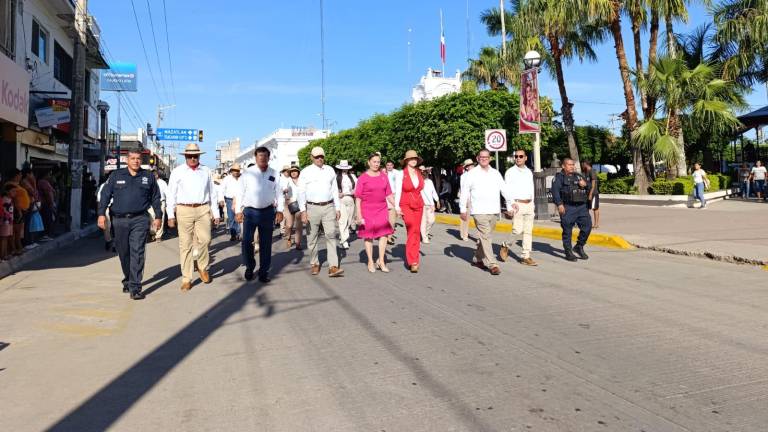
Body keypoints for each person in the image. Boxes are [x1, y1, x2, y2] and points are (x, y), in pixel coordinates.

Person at [97, 149, 162, 300]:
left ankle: (135, 287)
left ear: (142, 160)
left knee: (137, 252)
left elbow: (156, 198)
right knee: (124, 252)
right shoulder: (116, 175)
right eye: (132, 158)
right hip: (119, 220)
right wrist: (101, 215)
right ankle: (128, 278)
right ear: (127, 160)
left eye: (138, 158)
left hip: (140, 219)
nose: (136, 161)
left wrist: (158, 216)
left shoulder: (148, 177)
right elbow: (105, 195)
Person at [166, 143, 221, 291]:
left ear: (199, 156)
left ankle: (202, 266)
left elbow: (212, 193)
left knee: (206, 239)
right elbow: (171, 194)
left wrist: (216, 213)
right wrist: (170, 215)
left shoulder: (206, 171)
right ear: (185, 156)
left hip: (203, 208)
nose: (192, 158)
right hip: (184, 209)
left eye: (195, 156)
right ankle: (187, 278)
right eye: (189, 156)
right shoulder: (177, 172)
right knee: (185, 245)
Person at [235, 146, 284, 283]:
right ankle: (250, 267)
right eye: (259, 156)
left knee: (266, 243)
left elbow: (279, 193)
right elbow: (239, 193)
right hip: (250, 212)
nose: (262, 158)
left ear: (269, 157)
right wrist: (238, 211)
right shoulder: (247, 173)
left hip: (268, 212)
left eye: (265, 156)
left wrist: (280, 210)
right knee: (247, 242)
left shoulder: (275, 174)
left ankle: (264, 271)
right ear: (256, 158)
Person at [460, 150, 513, 275]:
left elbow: (504, 189)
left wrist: (509, 205)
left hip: (494, 210)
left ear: (490, 159)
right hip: (478, 211)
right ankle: (492, 264)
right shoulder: (471, 174)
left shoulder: (495, 173)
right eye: (481, 157)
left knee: (485, 237)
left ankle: (477, 258)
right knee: (486, 236)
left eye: (486, 157)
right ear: (477, 158)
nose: (484, 159)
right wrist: (462, 209)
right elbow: (465, 192)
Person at [298, 146, 344, 277]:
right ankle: (314, 263)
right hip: (311, 207)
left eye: (321, 156)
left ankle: (333, 266)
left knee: (331, 234)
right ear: (311, 157)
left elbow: (334, 189)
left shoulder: (330, 170)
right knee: (312, 237)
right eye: (317, 156)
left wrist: (338, 207)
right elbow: (301, 192)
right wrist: (303, 211)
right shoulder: (306, 172)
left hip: (328, 206)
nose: (319, 158)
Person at [355, 152, 394, 273]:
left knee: (384, 235)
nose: (376, 164)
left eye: (378, 162)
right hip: (367, 210)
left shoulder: (384, 176)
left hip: (382, 209)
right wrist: (359, 214)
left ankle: (381, 261)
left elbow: (389, 194)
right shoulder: (363, 178)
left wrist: (397, 206)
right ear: (369, 162)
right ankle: (370, 261)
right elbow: (358, 198)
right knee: (369, 236)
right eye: (374, 162)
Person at [501, 149, 537, 266]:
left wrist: (533, 203)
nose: (518, 158)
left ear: (525, 158)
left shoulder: (529, 172)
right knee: (517, 230)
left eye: (521, 156)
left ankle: (525, 256)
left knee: (528, 231)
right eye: (516, 156)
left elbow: (532, 189)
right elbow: (506, 190)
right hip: (517, 204)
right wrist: (509, 206)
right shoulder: (510, 172)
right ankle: (506, 245)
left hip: (529, 204)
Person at [552, 157, 592, 261]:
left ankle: (579, 246)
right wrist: (559, 204)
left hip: (581, 207)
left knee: (587, 227)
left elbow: (590, 186)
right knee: (567, 230)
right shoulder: (559, 177)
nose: (572, 166)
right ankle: (568, 252)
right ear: (563, 166)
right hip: (568, 207)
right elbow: (555, 192)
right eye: (569, 165)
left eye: (573, 164)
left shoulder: (578, 176)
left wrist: (585, 185)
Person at [394, 150, 425, 273]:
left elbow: (422, 190)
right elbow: (397, 190)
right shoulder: (401, 174)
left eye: (415, 158)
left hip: (419, 205)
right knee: (412, 228)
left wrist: (431, 203)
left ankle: (414, 259)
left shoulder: (419, 173)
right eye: (411, 158)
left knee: (416, 231)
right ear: (406, 160)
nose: (413, 160)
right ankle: (412, 260)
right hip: (405, 204)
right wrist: (397, 207)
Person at [4, 169, 30, 257]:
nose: (21, 177)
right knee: (15, 232)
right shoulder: (10, 185)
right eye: (19, 175)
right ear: (15, 175)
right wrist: (19, 211)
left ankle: (17, 248)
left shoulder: (17, 185)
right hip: (16, 211)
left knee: (18, 232)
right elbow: (14, 199)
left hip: (21, 210)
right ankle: (15, 249)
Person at [335, 160, 357, 249]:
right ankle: (344, 241)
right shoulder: (336, 177)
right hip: (341, 200)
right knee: (342, 220)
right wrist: (338, 194)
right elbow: (333, 189)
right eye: (342, 169)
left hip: (351, 199)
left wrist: (352, 192)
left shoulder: (352, 176)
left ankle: (343, 235)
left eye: (345, 169)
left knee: (349, 220)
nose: (344, 170)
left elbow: (357, 187)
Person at [283, 166, 303, 249]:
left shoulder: (302, 180)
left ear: (298, 172)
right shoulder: (287, 180)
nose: (294, 172)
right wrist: (285, 190)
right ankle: (288, 238)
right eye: (292, 171)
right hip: (289, 204)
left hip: (299, 204)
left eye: (295, 171)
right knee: (289, 225)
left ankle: (298, 242)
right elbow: (283, 189)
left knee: (299, 226)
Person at [222, 164, 243, 241]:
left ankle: (239, 233)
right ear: (231, 171)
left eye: (238, 170)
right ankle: (233, 234)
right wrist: (221, 199)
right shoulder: (227, 179)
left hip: (240, 200)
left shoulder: (243, 178)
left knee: (240, 216)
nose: (236, 172)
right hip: (230, 200)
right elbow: (222, 189)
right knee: (231, 217)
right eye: (234, 170)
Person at [420, 166, 440, 244]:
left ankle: (425, 233)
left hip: (430, 205)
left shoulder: (430, 181)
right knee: (423, 222)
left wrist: (437, 201)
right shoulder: (418, 182)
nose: (423, 173)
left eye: (424, 172)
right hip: (422, 205)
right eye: (422, 172)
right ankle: (424, 237)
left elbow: (433, 192)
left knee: (432, 221)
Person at [385, 161, 402, 245]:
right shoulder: (382, 172)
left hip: (394, 195)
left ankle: (389, 237)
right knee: (385, 218)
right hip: (384, 196)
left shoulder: (397, 173)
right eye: (387, 165)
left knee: (392, 218)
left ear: (393, 165)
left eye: (391, 165)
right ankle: (384, 234)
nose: (389, 166)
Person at [96, 174, 115, 251]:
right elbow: (99, 199)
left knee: (116, 227)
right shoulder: (104, 186)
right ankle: (108, 241)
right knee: (107, 227)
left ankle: (115, 244)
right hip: (107, 208)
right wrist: (101, 213)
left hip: (117, 208)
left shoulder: (120, 185)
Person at [459, 159, 475, 241]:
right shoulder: (464, 176)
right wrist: (463, 201)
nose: (471, 166)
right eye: (469, 165)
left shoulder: (477, 174)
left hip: (476, 198)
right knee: (465, 218)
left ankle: (480, 237)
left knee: (479, 219)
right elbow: (463, 189)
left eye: (472, 165)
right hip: (467, 198)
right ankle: (464, 234)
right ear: (466, 168)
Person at [37, 171, 56, 240]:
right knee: (48, 219)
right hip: (46, 203)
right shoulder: (43, 182)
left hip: (45, 203)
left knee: (47, 218)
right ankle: (46, 234)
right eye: (49, 175)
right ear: (45, 175)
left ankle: (47, 234)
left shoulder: (43, 182)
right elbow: (48, 193)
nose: (50, 176)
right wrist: (51, 203)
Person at [151, 169, 168, 241]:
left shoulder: (162, 183)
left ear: (157, 175)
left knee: (161, 218)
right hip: (151, 204)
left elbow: (167, 193)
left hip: (161, 202)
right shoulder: (149, 182)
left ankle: (158, 236)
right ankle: (153, 233)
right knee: (151, 218)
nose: (153, 176)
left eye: (154, 175)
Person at [582, 161, 600, 228]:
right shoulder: (586, 172)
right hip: (587, 192)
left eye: (583, 164)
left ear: (586, 164)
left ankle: (596, 224)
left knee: (595, 208)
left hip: (593, 193)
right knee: (586, 208)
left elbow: (593, 184)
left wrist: (590, 194)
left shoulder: (592, 171)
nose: (582, 165)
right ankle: (587, 223)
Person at [0, 185, 13, 261]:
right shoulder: (4, 200)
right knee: (3, 238)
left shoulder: (9, 199)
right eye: (13, 191)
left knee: (6, 238)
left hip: (8, 221)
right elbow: (4, 212)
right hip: (5, 221)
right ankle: (3, 255)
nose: (15, 193)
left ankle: (5, 254)